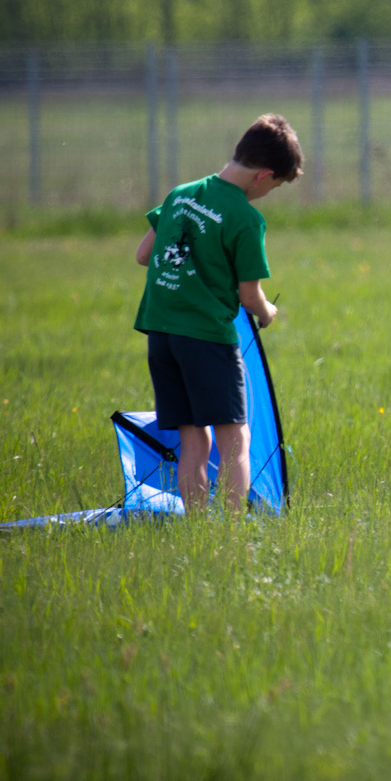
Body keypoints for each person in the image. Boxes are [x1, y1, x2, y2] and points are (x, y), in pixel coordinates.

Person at [133, 113, 303, 512]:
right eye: (275, 186)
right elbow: (249, 296)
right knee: (235, 440)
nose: (269, 193)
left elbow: (144, 255)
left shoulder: (181, 195)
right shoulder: (245, 218)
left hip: (161, 336)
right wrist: (268, 311)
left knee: (194, 439)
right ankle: (230, 531)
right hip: (207, 339)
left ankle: (198, 527)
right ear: (264, 175)